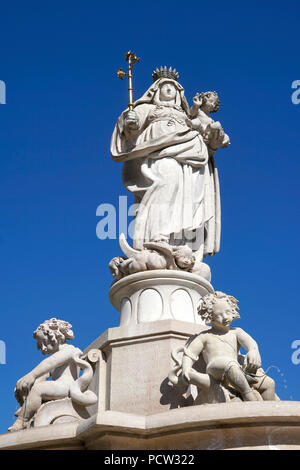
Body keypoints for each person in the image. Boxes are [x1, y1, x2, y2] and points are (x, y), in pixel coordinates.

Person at [111, 69, 223, 261]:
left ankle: (178, 241)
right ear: (156, 90)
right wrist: (130, 122)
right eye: (165, 86)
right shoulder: (149, 108)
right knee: (164, 182)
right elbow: (131, 124)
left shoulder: (185, 115)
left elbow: (205, 134)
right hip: (158, 155)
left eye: (173, 87)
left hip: (188, 159)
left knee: (185, 193)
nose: (169, 90)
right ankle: (156, 235)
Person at [180, 291, 276, 401]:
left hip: (236, 369)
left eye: (228, 312)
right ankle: (248, 395)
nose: (225, 317)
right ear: (209, 316)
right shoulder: (205, 336)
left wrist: (253, 351)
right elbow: (189, 353)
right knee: (229, 363)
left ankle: (270, 412)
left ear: (233, 311)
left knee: (269, 383)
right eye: (219, 315)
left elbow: (251, 344)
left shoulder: (236, 332)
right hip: (216, 368)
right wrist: (186, 368)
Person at [9, 318, 97, 432]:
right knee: (35, 386)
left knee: (38, 389)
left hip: (66, 387)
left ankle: (23, 420)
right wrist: (26, 384)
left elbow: (50, 363)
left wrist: (32, 375)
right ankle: (27, 409)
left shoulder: (70, 350)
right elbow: (45, 374)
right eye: (41, 345)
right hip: (58, 386)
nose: (43, 348)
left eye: (44, 343)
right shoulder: (59, 354)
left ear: (55, 337)